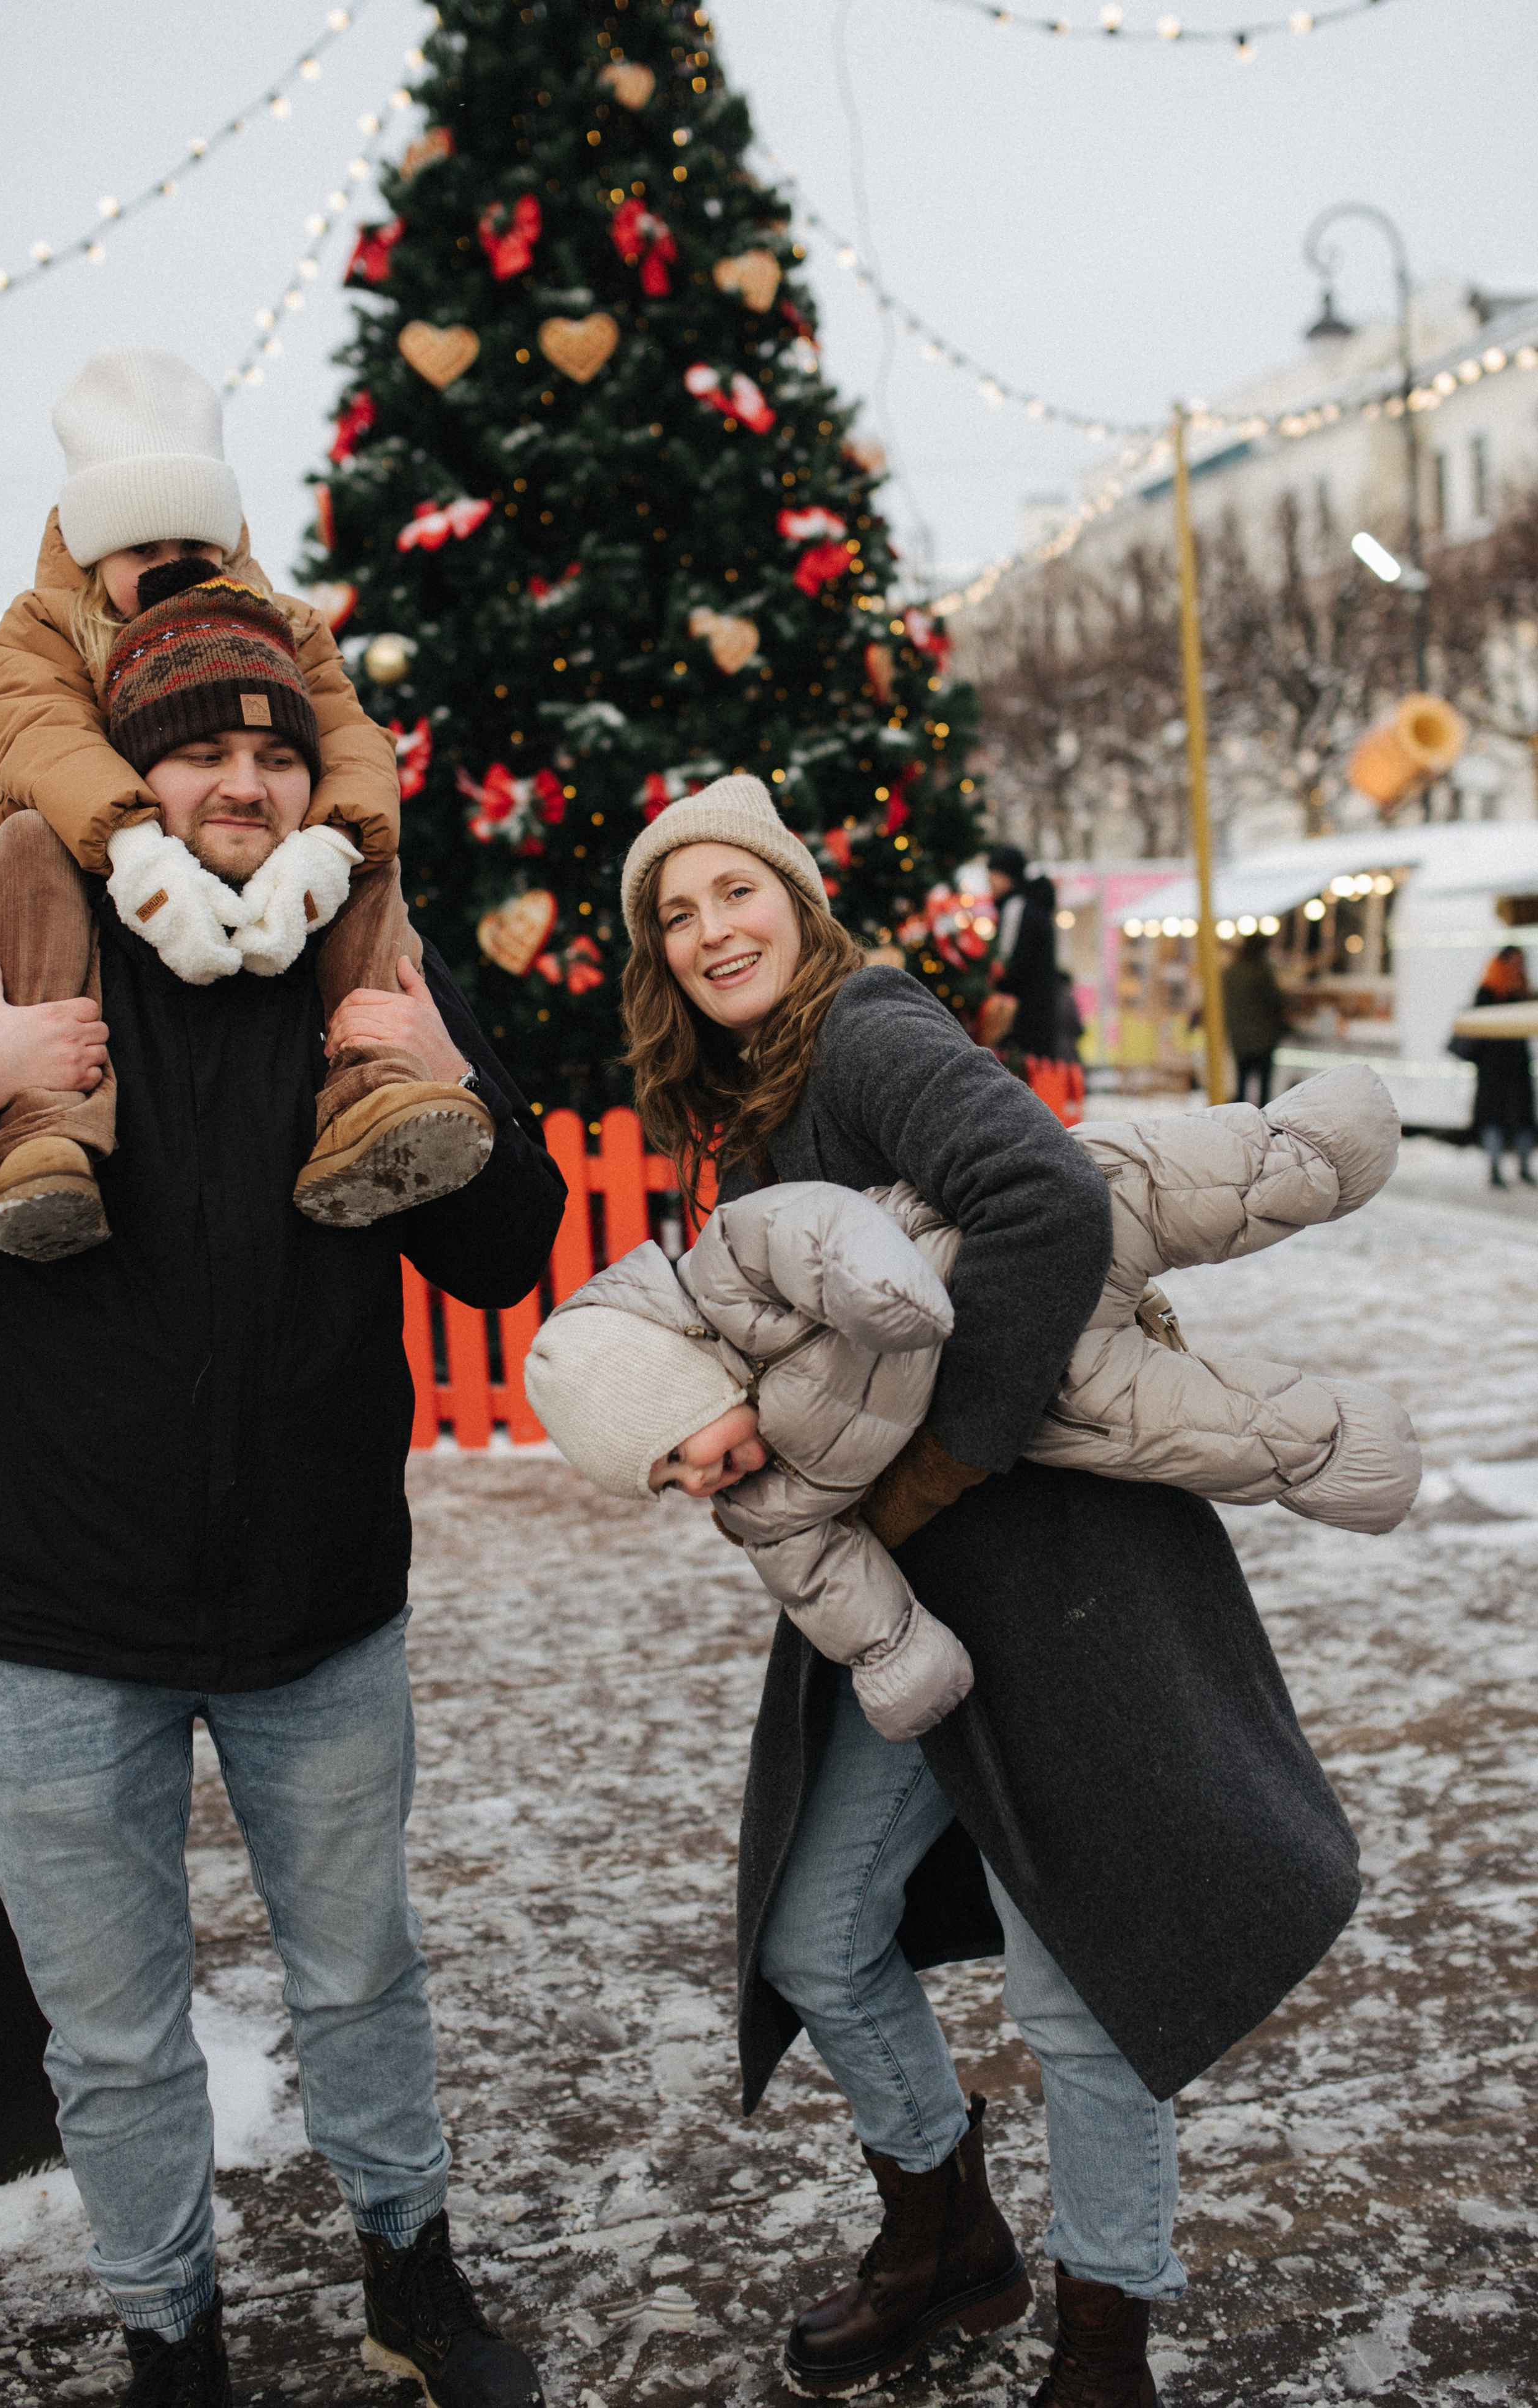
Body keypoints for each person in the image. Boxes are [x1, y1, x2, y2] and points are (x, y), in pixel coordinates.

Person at [614, 776, 1363, 2407]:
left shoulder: (868, 1031)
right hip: (917, 1599)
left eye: (735, 890)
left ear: (803, 905)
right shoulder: (753, 1101)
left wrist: (944, 1451)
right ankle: (946, 2234)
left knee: (1074, 1982)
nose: (708, 929)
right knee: (815, 1933)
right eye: (674, 914)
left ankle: (1108, 2334)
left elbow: (1045, 1197)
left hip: (1060, 1577)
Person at [0, 598, 565, 2406]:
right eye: (202, 750)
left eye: (272, 750)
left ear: (312, 777)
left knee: (362, 1973)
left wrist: (453, 1082)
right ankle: (172, 2339)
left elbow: (504, 1251)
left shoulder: (362, 956)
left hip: (315, 1601)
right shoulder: (10, 952)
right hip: (54, 1616)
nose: (241, 779)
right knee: (116, 2032)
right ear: (132, 777)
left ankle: (414, 2283)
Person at [524, 1070, 1418, 1744]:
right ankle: (1336, 1452)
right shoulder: (766, 1506)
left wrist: (876, 1286)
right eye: (669, 1484)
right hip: (1032, 1385)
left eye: (678, 1451)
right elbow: (825, 1580)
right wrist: (891, 1652)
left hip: (1001, 1240)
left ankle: (1313, 1152)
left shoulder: (729, 1273)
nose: (696, 1482)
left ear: (686, 1377)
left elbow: (813, 1227)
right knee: (1188, 1429)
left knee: (1174, 1179)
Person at [0, 345, 481, 1258]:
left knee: (367, 847)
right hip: (74, 868)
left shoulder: (282, 626)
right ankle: (45, 1121)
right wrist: (137, 846)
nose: (175, 568)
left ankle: (376, 1088)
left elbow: (352, 738)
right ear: (96, 550)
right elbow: (44, 737)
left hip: (264, 892)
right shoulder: (45, 626)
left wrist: (325, 847)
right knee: (28, 839)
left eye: (196, 548)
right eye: (144, 550)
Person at [1465, 944, 1536, 1188]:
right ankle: (1495, 1168)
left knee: (1524, 1116)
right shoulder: (1488, 992)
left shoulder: (1522, 991)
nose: (1518, 967)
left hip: (1517, 1067)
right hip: (1494, 1069)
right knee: (1494, 1116)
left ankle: (1524, 1166)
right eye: (1514, 962)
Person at [985, 846, 1059, 1062]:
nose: (990, 881)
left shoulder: (1016, 907)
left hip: (1021, 1014)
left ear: (1008, 876)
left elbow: (1006, 961)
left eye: (994, 875)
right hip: (1040, 1013)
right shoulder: (1035, 905)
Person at [1221, 930, 1290, 1108]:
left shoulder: (1230, 972)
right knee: (1264, 1089)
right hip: (1263, 1039)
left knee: (1242, 1086)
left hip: (1239, 1038)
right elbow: (1275, 1001)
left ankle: (1240, 1122)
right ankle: (1261, 1126)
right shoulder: (1260, 972)